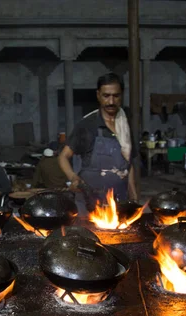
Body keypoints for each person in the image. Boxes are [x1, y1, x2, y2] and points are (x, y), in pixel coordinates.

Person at [58, 73, 138, 213]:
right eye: (106, 96)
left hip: (118, 202)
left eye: (116, 96)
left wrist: (133, 195)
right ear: (98, 95)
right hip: (89, 203)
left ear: (122, 95)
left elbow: (129, 164)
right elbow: (63, 156)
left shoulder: (125, 124)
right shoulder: (87, 125)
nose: (111, 101)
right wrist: (73, 177)